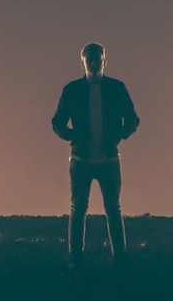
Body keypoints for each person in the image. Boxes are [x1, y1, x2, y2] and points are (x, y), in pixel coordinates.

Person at [52, 42, 140, 265]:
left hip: (108, 159)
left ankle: (119, 258)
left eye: (97, 59)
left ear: (104, 61)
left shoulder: (117, 88)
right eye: (89, 59)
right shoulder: (71, 90)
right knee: (79, 208)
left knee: (112, 208)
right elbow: (57, 122)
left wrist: (118, 137)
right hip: (81, 160)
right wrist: (72, 137)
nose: (93, 62)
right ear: (83, 62)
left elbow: (133, 119)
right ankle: (76, 258)